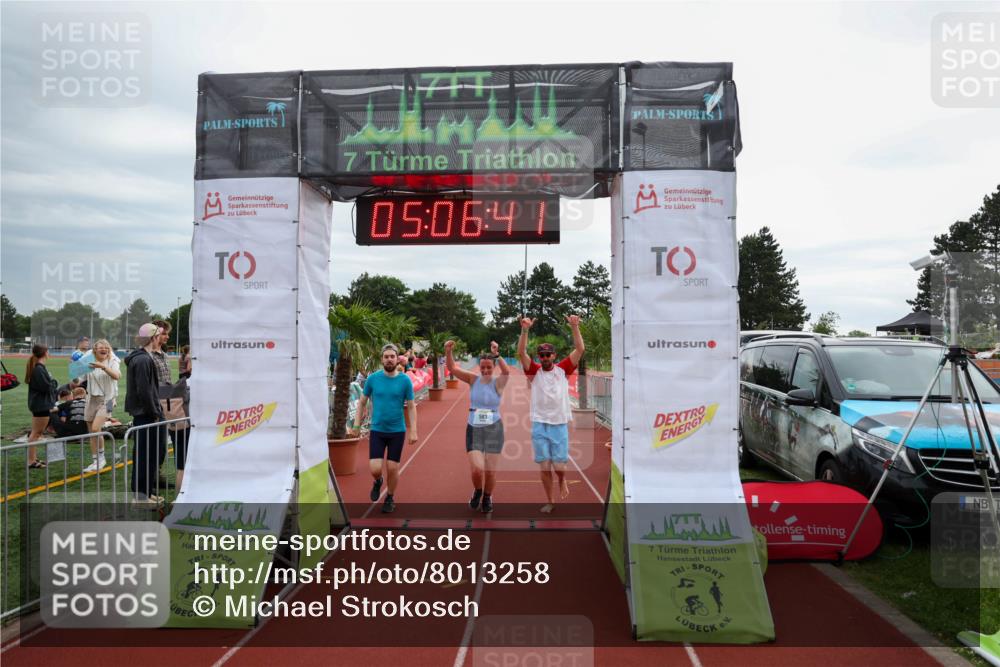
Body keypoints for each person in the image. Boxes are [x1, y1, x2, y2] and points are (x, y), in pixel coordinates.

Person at [517, 315, 585, 513]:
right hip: (539, 424)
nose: (545, 358)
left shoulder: (563, 369)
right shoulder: (534, 371)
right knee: (545, 467)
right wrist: (525, 330)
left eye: (548, 355)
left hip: (559, 424)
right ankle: (550, 500)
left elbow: (580, 349)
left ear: (554, 356)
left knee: (560, 468)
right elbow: (521, 352)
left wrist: (574, 326)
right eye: (542, 355)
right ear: (539, 357)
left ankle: (562, 480)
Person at [349, 343, 418, 513]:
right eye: (386, 357)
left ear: (397, 359)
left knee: (393, 467)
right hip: (378, 430)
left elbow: (411, 406)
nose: (389, 359)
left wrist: (414, 430)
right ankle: (378, 481)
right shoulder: (373, 379)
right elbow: (362, 402)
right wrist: (356, 425)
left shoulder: (405, 380)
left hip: (397, 431)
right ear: (382, 359)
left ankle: (389, 497)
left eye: (392, 356)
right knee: (375, 468)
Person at [446, 339, 509, 513]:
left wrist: (497, 354)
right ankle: (478, 491)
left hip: (494, 428)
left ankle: (487, 496)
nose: (486, 370)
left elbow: (507, 370)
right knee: (476, 470)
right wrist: (448, 351)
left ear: (493, 367)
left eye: (489, 367)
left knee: (489, 471)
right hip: (474, 427)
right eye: (483, 367)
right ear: (479, 367)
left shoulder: (499, 382)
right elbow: (452, 369)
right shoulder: (473, 379)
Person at [124, 323, 168, 507]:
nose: (161, 337)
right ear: (153, 337)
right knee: (145, 456)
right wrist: (155, 412)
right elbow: (144, 391)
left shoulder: (143, 357)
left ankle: (146, 492)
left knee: (149, 456)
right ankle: (141, 497)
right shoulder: (142, 359)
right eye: (159, 334)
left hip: (147, 413)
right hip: (146, 414)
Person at [82, 339, 121, 473]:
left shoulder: (113, 360)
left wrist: (102, 367)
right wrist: (75, 368)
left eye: (107, 348)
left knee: (95, 428)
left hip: (109, 400)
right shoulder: (88, 359)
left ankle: (102, 459)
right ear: (95, 350)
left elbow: (117, 376)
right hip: (91, 398)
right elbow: (78, 380)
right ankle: (96, 461)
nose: (104, 349)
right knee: (91, 432)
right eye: (101, 348)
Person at [25, 344, 58, 468]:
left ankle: (33, 459)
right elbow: (46, 387)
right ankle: (31, 461)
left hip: (40, 404)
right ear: (45, 353)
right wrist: (54, 382)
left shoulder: (39, 367)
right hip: (41, 405)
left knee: (36, 433)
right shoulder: (39, 369)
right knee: (36, 434)